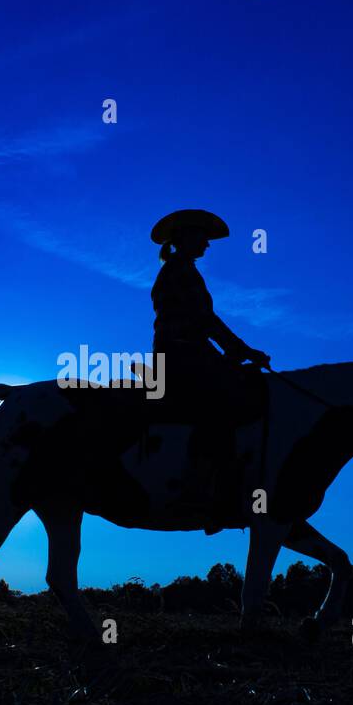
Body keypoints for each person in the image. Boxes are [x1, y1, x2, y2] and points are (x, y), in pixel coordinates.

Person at [149, 209, 269, 521]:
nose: (207, 244)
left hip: (187, 352)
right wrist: (242, 350)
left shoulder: (182, 269)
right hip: (182, 354)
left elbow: (205, 322)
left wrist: (239, 351)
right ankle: (198, 487)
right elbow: (205, 321)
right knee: (220, 405)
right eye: (202, 237)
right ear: (185, 238)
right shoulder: (180, 271)